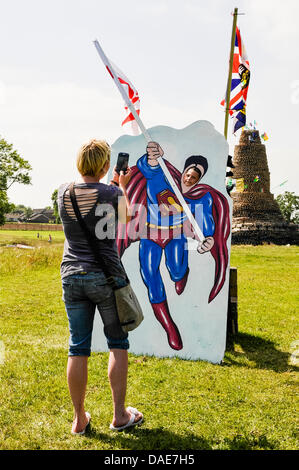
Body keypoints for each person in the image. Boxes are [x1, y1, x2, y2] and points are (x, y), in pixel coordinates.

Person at [58, 139, 143, 434]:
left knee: (77, 347)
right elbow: (127, 217)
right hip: (106, 276)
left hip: (71, 275)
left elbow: (90, 205)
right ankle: (120, 415)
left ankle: (79, 419)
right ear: (106, 165)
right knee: (117, 343)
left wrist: (113, 187)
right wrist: (123, 186)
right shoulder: (112, 191)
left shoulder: (63, 192)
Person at [117, 142, 230, 351]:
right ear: (183, 172)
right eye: (188, 173)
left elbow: (206, 226)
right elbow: (151, 169)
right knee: (150, 276)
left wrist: (209, 240)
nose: (189, 179)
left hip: (175, 234)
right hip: (150, 233)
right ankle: (169, 327)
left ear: (199, 180)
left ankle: (181, 274)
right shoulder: (164, 180)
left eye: (194, 177)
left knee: (176, 269)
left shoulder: (200, 196)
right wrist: (153, 158)